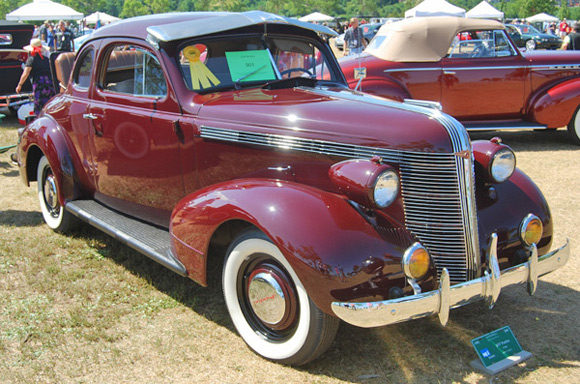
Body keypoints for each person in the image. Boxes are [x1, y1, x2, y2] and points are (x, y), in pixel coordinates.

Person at [15, 39, 56, 117]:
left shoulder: (31, 59)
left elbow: (26, 73)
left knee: (39, 106)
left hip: (39, 84)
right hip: (50, 83)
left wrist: (20, 85)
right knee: (49, 105)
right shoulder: (46, 60)